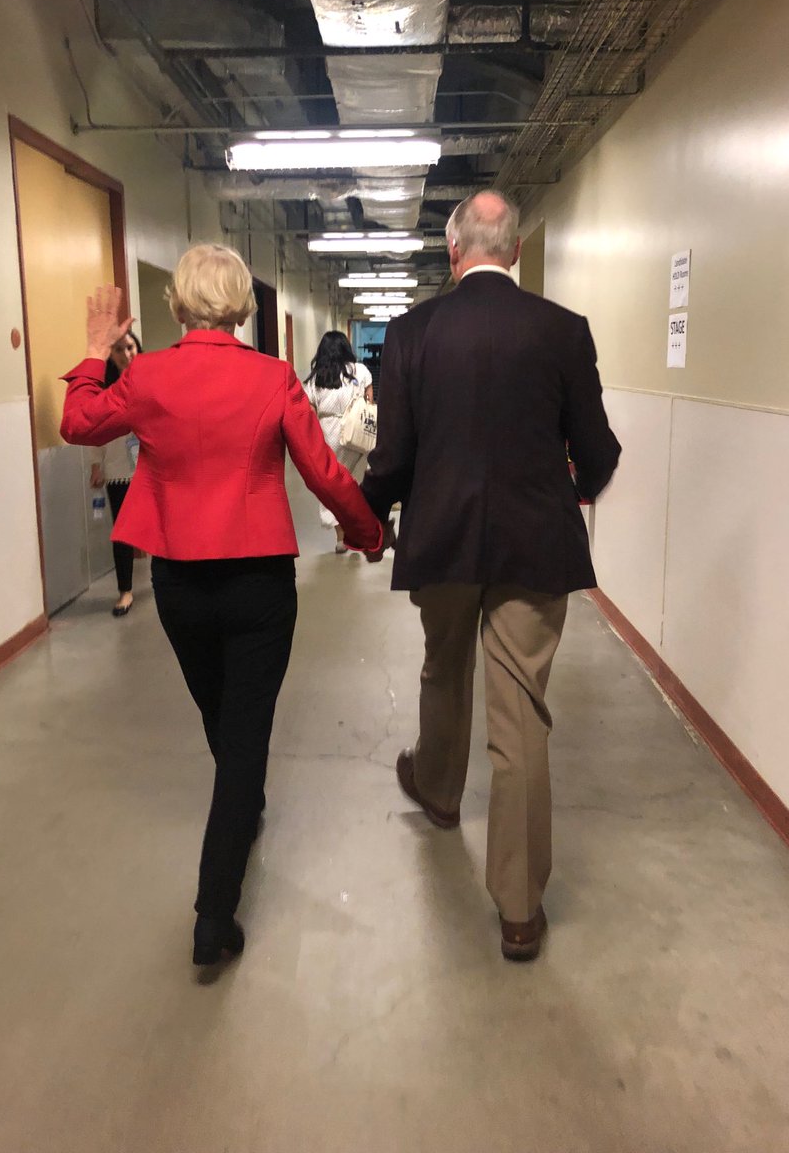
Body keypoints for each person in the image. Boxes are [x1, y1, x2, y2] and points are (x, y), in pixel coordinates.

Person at [59, 246, 384, 968]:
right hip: (258, 582)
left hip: (180, 582)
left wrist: (95, 351)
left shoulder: (147, 375)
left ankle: (240, 807)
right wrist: (368, 533)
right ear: (242, 307)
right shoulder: (272, 377)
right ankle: (214, 914)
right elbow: (324, 472)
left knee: (221, 715)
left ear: (177, 305)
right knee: (242, 734)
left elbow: (77, 422)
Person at [361, 191, 621, 962]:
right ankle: (519, 907)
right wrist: (571, 490)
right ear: (515, 250)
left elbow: (393, 458)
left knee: (444, 667)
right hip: (535, 548)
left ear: (453, 251)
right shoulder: (562, 330)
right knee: (520, 714)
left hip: (440, 541)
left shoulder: (410, 334)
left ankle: (439, 792)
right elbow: (597, 452)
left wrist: (367, 518)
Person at [304, 331, 374, 553]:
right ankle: (357, 532)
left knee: (332, 485)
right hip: (357, 433)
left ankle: (341, 537)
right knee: (355, 483)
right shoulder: (360, 371)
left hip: (329, 435)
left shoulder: (316, 377)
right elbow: (369, 402)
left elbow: (310, 413)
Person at [88, 330, 142, 616]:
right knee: (122, 532)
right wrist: (96, 465)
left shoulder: (151, 383)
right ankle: (125, 591)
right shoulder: (104, 393)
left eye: (130, 347)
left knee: (159, 527)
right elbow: (96, 432)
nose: (126, 354)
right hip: (118, 469)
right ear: (111, 356)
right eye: (119, 350)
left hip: (149, 468)